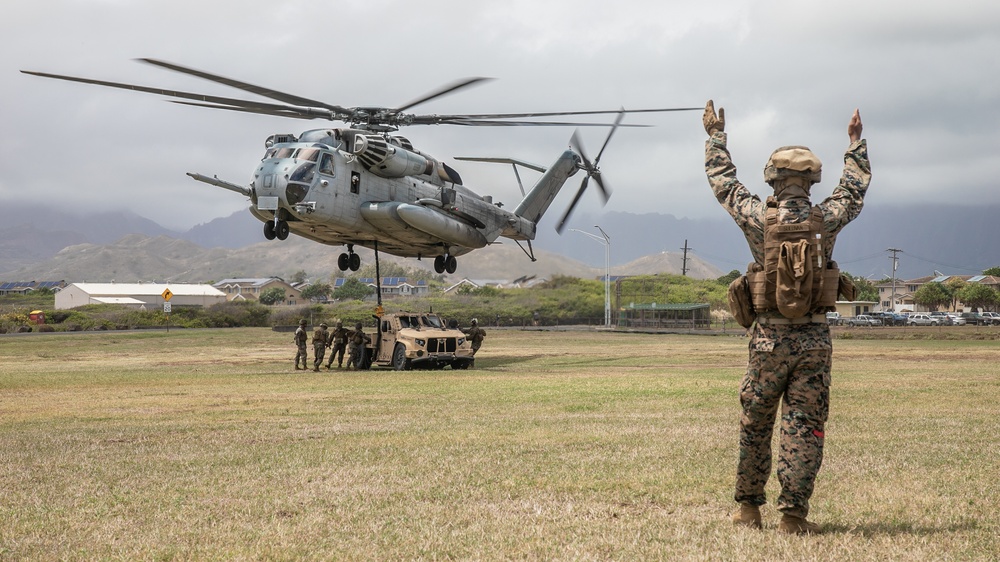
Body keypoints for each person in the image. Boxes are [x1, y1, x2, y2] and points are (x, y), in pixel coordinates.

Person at [703, 100, 870, 534]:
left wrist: (716, 138)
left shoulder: (759, 217)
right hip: (814, 341)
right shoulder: (826, 219)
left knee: (755, 423)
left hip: (767, 342)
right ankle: (793, 517)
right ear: (812, 180)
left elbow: (724, 185)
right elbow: (852, 192)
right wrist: (855, 145)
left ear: (773, 180)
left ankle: (748, 511)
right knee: (805, 427)